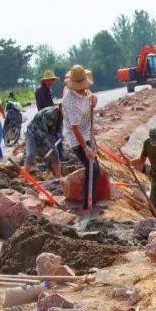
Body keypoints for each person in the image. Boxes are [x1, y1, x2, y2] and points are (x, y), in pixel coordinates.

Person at [61, 65, 98, 213]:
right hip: (77, 139)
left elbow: (90, 95)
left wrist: (93, 100)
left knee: (95, 168)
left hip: (87, 133)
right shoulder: (70, 102)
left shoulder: (84, 90)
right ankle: (87, 204)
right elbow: (75, 128)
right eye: (81, 87)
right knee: (93, 169)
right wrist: (86, 148)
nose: (84, 88)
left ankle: (92, 200)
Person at [23, 105, 64, 179]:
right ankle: (26, 178)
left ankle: (59, 177)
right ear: (61, 109)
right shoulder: (50, 115)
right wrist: (49, 145)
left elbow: (59, 128)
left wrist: (60, 135)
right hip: (33, 132)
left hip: (45, 133)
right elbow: (43, 133)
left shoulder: (61, 116)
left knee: (54, 152)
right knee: (31, 154)